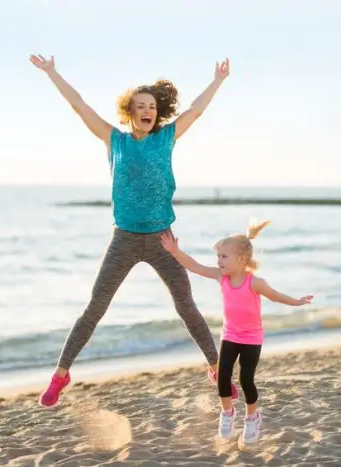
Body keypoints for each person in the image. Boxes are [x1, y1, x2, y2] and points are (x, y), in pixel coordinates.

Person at [29, 53, 238, 407]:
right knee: (95, 307)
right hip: (123, 239)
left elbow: (196, 110)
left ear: (157, 113)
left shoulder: (167, 137)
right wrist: (52, 72)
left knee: (185, 305)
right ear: (130, 111)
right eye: (140, 105)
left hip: (162, 240)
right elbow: (78, 105)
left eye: (152, 106)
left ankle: (217, 368)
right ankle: (61, 374)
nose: (147, 110)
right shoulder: (115, 140)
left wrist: (217, 81)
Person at [160, 221, 313, 444]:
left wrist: (297, 302)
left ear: (241, 259)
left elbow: (276, 295)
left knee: (246, 379)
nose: (218, 261)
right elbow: (194, 266)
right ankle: (227, 413)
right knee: (222, 377)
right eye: (218, 256)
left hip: (252, 337)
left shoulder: (255, 283)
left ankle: (252, 417)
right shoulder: (221, 277)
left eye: (224, 256)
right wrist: (174, 251)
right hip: (230, 334)